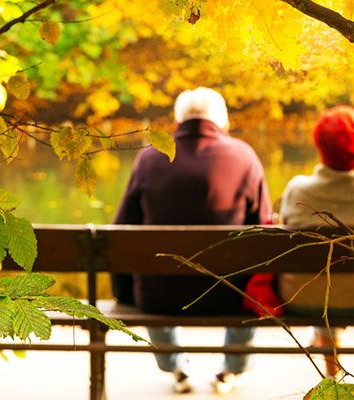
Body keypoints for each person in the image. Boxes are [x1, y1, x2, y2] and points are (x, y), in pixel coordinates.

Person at [112, 87, 272, 394]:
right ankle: (233, 369)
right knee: (249, 275)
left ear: (178, 120)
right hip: (229, 296)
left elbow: (121, 229)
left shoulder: (150, 158)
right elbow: (263, 233)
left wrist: (124, 293)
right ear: (223, 121)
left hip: (159, 299)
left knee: (152, 275)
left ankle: (175, 368)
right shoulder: (244, 156)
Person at [278, 105, 354, 377]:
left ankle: (331, 369)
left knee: (321, 283)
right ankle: (331, 363)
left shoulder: (298, 190)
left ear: (319, 144)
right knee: (332, 282)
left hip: (303, 299)